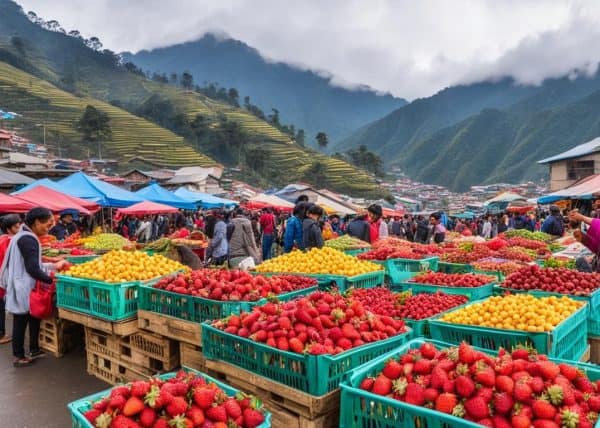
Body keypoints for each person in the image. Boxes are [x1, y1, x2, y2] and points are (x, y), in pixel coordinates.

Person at [1, 208, 67, 367]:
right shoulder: (28, 239)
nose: (49, 227)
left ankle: (34, 349)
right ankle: (19, 356)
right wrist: (51, 279)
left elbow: (33, 264)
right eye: (48, 224)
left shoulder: (24, 236)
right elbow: (32, 268)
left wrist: (52, 265)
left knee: (33, 317)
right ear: (37, 222)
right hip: (22, 285)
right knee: (20, 320)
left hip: (23, 283)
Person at [0, 214, 21, 345]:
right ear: (9, 228)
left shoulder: (3, 238)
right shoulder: (9, 241)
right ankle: (1, 335)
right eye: (16, 226)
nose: (19, 228)